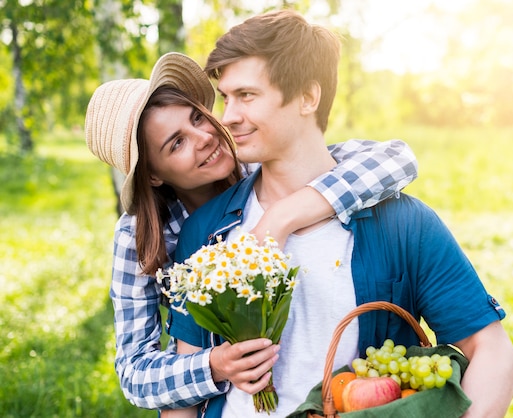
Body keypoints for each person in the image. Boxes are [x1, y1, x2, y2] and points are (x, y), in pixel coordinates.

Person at [167, 9, 513, 418]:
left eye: (246, 96)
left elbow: (496, 355)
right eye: (226, 98)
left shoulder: (404, 225)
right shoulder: (207, 232)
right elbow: (184, 396)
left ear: (307, 97)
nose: (227, 117)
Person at [84, 52, 419, 410]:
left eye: (198, 117)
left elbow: (396, 159)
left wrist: (280, 217)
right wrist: (215, 366)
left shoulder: (264, 167)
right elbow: (135, 373)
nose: (205, 137)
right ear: (153, 174)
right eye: (177, 143)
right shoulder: (139, 238)